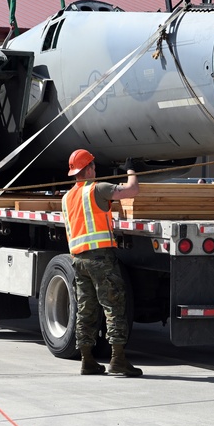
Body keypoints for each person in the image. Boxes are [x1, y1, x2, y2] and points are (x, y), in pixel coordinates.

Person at [61, 149, 142, 377]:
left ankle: (87, 360)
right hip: (100, 258)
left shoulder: (66, 198)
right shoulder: (98, 189)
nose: (95, 170)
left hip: (78, 260)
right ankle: (118, 360)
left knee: (86, 310)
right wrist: (131, 170)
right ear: (88, 169)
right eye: (93, 167)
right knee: (114, 306)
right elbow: (132, 190)